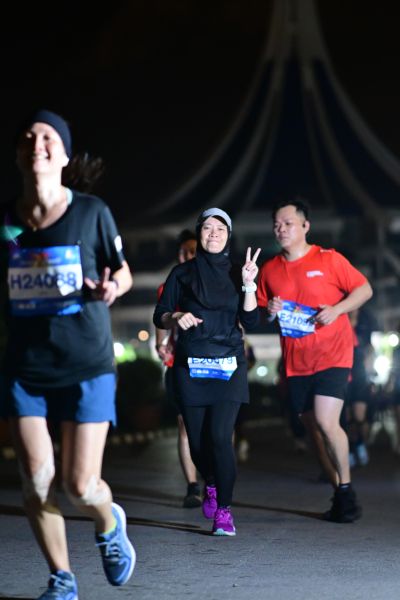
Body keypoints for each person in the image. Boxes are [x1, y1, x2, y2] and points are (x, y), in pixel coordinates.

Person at [0, 109, 135, 599]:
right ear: (18, 154)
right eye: (27, 137)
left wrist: (113, 288)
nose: (36, 143)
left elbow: (123, 271)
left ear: (63, 154)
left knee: (80, 486)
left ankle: (108, 522)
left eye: (47, 137)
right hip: (26, 368)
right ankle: (62, 579)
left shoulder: (91, 212)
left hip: (86, 363)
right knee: (36, 482)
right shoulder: (7, 222)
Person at [257, 199, 373, 523]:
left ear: (305, 226)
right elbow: (262, 314)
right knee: (314, 430)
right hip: (296, 361)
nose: (281, 229)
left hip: (333, 354)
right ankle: (340, 494)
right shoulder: (269, 269)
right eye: (277, 224)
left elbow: (364, 290)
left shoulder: (328, 259)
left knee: (326, 421)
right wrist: (270, 312)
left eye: (288, 223)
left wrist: (337, 310)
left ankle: (346, 490)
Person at [153, 208, 260, 536]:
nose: (213, 233)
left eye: (220, 228)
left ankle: (224, 511)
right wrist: (175, 317)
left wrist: (249, 286)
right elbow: (160, 315)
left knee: (220, 438)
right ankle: (210, 481)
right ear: (199, 233)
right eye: (207, 228)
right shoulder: (181, 274)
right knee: (198, 444)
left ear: (229, 235)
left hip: (228, 365)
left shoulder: (238, 273)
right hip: (191, 367)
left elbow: (251, 320)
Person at [155, 229, 202, 507]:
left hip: (212, 365)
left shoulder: (217, 281)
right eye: (183, 252)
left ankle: (216, 477)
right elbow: (160, 319)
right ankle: (192, 486)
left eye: (192, 252)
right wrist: (160, 345)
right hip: (179, 364)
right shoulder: (169, 286)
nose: (186, 257)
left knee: (217, 427)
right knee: (184, 425)